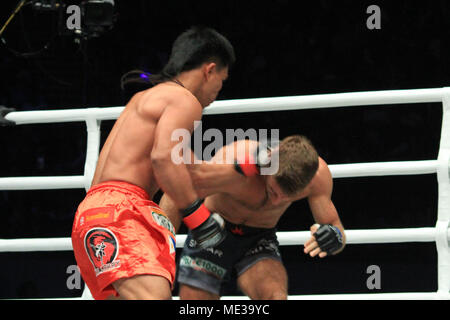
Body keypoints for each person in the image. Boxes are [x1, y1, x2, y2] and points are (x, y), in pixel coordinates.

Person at [71, 26, 235, 300]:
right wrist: (198, 217)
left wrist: (248, 170)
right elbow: (163, 157)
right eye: (222, 79)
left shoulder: (143, 99)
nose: (219, 90)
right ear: (209, 70)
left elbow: (184, 165)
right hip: (122, 214)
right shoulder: (185, 100)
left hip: (93, 214)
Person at [159, 135, 346, 299]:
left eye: (287, 198)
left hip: (258, 239)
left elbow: (336, 229)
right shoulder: (235, 160)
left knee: (274, 297)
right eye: (273, 191)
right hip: (212, 230)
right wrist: (161, 251)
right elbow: (177, 192)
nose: (276, 202)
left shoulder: (318, 177)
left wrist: (333, 237)